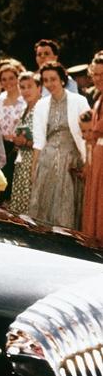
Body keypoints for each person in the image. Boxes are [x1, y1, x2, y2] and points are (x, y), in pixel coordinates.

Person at [28, 62, 89, 230]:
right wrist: (35, 170)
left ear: (62, 80)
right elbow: (38, 140)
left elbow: (87, 135)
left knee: (67, 205)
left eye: (53, 79)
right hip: (47, 160)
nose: (50, 84)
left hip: (71, 160)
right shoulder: (41, 104)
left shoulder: (79, 101)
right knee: (45, 205)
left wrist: (87, 162)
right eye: (46, 80)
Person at [0, 61, 27, 203]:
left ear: (17, 78)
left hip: (19, 148)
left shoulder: (24, 99)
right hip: (1, 147)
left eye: (11, 78)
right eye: (3, 79)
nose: (8, 82)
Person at [8, 72, 42, 214]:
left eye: (29, 87)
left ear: (39, 88)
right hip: (22, 162)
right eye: (22, 87)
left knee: (32, 204)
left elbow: (44, 140)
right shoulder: (24, 110)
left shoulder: (42, 108)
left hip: (35, 161)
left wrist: (27, 142)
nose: (26, 91)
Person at [81, 52, 103, 243]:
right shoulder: (97, 100)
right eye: (95, 74)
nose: (98, 79)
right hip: (97, 157)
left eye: (102, 75)